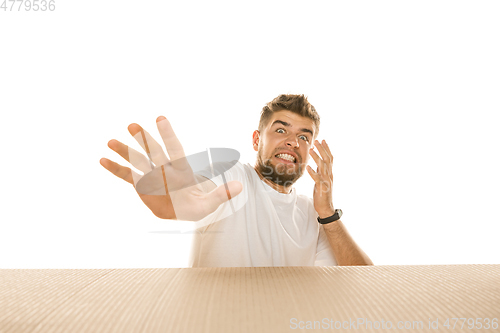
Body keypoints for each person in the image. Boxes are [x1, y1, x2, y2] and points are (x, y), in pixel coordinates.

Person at [100, 94, 373, 267]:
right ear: (257, 140)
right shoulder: (233, 178)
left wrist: (327, 214)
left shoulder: (313, 214)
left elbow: (364, 283)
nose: (293, 141)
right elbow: (200, 188)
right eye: (281, 129)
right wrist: (179, 197)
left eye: (304, 136)